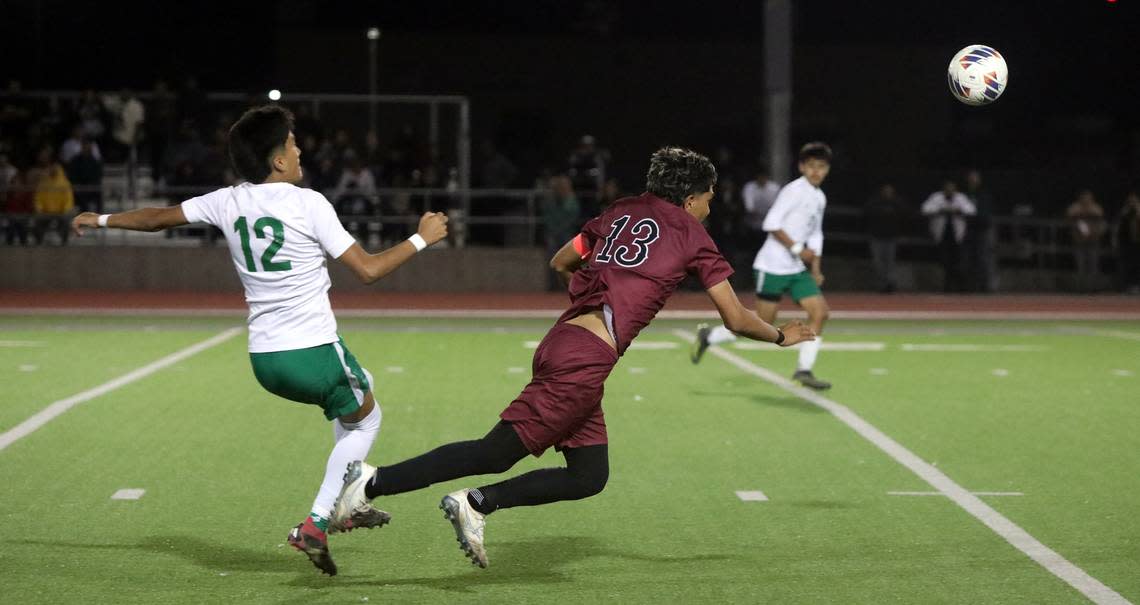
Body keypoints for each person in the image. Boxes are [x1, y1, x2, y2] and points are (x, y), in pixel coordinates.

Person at [331, 147, 813, 570]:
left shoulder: (620, 210)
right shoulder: (692, 234)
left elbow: (563, 260)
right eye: (709, 197)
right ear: (690, 199)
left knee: (588, 475)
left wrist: (594, 304)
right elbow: (734, 317)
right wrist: (779, 336)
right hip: (583, 361)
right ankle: (373, 484)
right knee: (495, 452)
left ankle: (477, 501)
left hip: (566, 342)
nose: (710, 207)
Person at [71, 105, 449, 577]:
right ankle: (322, 517)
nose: (299, 148)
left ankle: (345, 498)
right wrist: (421, 239)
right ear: (277, 161)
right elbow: (369, 270)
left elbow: (157, 218)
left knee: (358, 392)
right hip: (312, 350)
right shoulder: (308, 203)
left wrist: (102, 219)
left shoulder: (228, 200)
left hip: (265, 359)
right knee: (368, 421)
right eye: (292, 143)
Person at [691, 142, 834, 390]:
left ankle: (804, 370)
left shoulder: (819, 197)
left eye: (821, 167)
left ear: (827, 169)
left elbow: (816, 234)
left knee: (820, 313)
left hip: (797, 269)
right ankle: (710, 336)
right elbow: (771, 223)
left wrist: (816, 268)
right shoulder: (793, 191)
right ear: (801, 167)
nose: (816, 171)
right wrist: (799, 250)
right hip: (773, 266)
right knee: (762, 325)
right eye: (811, 166)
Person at [921, 180, 976, 292]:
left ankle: (962, 287)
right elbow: (925, 209)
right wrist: (941, 209)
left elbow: (971, 210)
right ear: (944, 189)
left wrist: (958, 210)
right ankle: (947, 286)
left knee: (959, 262)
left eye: (952, 189)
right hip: (942, 235)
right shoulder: (937, 197)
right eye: (947, 189)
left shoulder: (960, 198)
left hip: (957, 236)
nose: (949, 191)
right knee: (945, 262)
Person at [864, 183, 905, 293]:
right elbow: (866, 211)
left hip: (891, 237)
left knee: (890, 263)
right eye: (886, 191)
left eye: (890, 191)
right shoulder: (875, 202)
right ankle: (882, 284)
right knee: (878, 262)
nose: (888, 193)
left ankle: (890, 284)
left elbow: (904, 213)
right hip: (876, 237)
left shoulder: (896, 202)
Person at [964, 170, 998, 292]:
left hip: (982, 230)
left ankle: (986, 287)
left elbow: (985, 214)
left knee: (984, 259)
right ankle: (970, 286)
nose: (973, 181)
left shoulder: (984, 195)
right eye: (971, 178)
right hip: (968, 231)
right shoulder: (965, 195)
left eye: (975, 178)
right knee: (969, 259)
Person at [1066, 189, 1106, 292]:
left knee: (1093, 265)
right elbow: (1070, 215)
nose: (1086, 200)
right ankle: (1080, 288)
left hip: (1093, 241)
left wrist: (1088, 210)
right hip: (1079, 241)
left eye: (1088, 198)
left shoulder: (1096, 208)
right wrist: (1082, 211)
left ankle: (1093, 288)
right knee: (1080, 265)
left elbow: (1100, 219)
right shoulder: (1075, 207)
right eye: (1084, 197)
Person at [1116, 192, 1140, 294]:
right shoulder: (1124, 214)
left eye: (1134, 201)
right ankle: (1127, 286)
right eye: (1130, 202)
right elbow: (1119, 229)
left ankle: (1137, 285)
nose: (1132, 204)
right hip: (1127, 244)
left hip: (1138, 244)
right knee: (1127, 266)